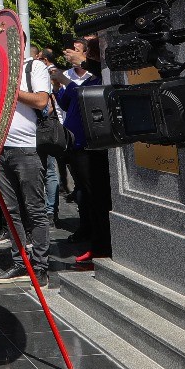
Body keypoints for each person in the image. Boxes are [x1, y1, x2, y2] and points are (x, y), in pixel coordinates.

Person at [0, 48, 55, 286]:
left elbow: (41, 100)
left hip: (28, 149)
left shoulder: (33, 67)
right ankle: (20, 263)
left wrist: (11, 91)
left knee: (35, 210)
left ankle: (39, 267)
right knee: (11, 211)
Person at [56, 38, 106, 260]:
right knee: (86, 194)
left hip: (89, 146)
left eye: (84, 51)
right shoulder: (88, 79)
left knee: (95, 196)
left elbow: (84, 94)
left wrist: (69, 78)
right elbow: (68, 102)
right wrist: (58, 85)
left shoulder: (100, 76)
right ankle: (92, 236)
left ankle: (101, 245)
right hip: (76, 145)